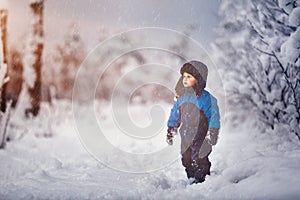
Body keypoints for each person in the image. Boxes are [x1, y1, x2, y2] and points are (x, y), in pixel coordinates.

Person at [166, 60, 220, 184]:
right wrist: (171, 128)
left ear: (199, 79)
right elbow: (175, 114)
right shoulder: (181, 98)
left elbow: (214, 115)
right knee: (186, 158)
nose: (185, 79)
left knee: (200, 157)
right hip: (186, 133)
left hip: (201, 133)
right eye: (184, 76)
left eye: (189, 77)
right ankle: (191, 178)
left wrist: (213, 130)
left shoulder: (206, 99)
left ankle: (203, 180)